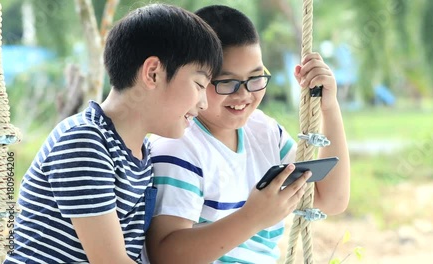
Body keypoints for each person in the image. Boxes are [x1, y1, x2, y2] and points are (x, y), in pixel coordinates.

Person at [4, 3, 222, 264]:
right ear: (153, 73)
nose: (203, 103)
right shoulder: (84, 142)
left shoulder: (142, 153)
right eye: (199, 84)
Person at [145, 5, 350, 264]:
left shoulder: (264, 131)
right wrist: (252, 218)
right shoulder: (178, 146)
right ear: (196, 79)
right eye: (227, 82)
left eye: (255, 78)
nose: (243, 95)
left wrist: (329, 107)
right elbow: (166, 256)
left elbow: (331, 199)